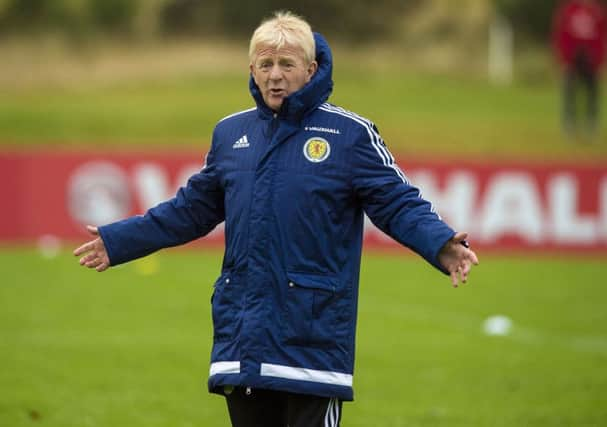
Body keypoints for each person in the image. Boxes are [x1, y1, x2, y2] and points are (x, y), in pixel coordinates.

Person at [73, 11, 479, 427]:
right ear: (252, 69)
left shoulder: (350, 135)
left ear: (311, 69)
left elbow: (397, 201)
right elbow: (190, 210)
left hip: (313, 341)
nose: (275, 76)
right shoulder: (230, 134)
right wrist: (119, 240)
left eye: (287, 65)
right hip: (243, 336)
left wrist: (440, 242)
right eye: (265, 65)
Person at [552, 0, 607, 139]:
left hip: (592, 57)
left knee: (592, 93)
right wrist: (564, 59)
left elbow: (602, 37)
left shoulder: (597, 11)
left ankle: (591, 123)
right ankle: (569, 123)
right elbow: (561, 34)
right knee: (569, 92)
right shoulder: (569, 9)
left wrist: (600, 60)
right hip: (572, 57)